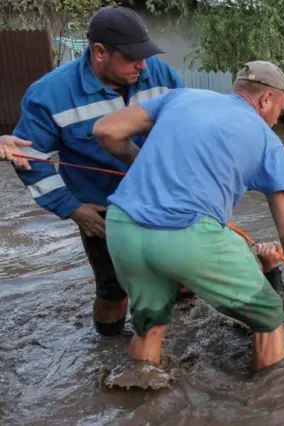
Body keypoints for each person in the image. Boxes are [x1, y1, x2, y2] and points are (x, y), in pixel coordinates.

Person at [92, 60, 284, 371]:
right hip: (186, 235)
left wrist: (139, 164)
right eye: (281, 111)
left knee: (150, 326)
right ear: (266, 98)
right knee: (270, 315)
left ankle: (141, 403)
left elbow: (106, 130)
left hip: (122, 226)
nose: (276, 120)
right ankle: (272, 407)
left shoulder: (181, 96)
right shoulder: (268, 142)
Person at [10, 5, 184, 337]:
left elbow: (184, 129)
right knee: (113, 293)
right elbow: (31, 159)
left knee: (181, 274)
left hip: (162, 200)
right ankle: (107, 350)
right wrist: (73, 209)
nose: (142, 65)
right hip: (103, 213)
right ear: (100, 52)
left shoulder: (159, 74)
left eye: (145, 56)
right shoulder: (49, 95)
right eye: (132, 58)